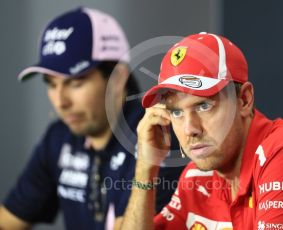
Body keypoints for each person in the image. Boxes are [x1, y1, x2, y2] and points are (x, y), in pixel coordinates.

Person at [120, 32, 283, 229]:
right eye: (177, 112)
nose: (190, 129)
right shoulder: (197, 177)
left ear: (244, 100)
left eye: (204, 106)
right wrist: (146, 167)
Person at [0, 7, 184, 230]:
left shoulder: (156, 136)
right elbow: (8, 219)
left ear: (118, 78)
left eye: (75, 82)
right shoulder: (59, 137)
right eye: (51, 83)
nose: (60, 101)